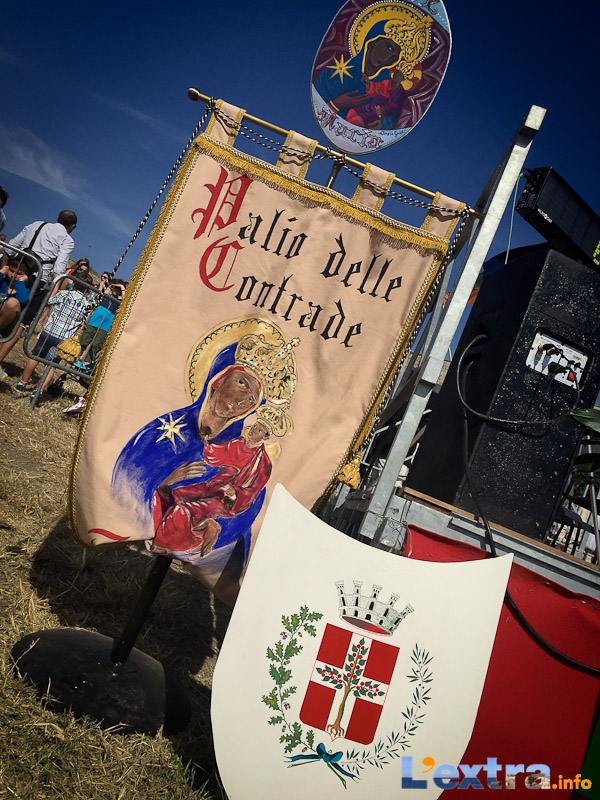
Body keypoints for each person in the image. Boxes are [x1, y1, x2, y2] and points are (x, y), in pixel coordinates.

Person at [112, 321, 298, 568]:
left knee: (190, 510)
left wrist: (224, 505)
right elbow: (126, 484)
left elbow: (242, 520)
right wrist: (168, 481)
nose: (242, 400)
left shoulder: (251, 456)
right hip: (151, 520)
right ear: (219, 379)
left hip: (211, 509)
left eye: (252, 399)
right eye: (242, 383)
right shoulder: (167, 429)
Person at [151, 413, 284, 556]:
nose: (254, 430)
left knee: (187, 510)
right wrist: (206, 442)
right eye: (255, 426)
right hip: (213, 486)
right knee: (176, 494)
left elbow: (253, 491)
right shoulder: (238, 443)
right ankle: (202, 528)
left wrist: (235, 494)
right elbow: (217, 454)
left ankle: (162, 543)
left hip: (225, 501)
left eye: (259, 430)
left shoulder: (263, 464)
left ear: (265, 437)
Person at [0, 210, 78, 372]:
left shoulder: (36, 224)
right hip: (37, 282)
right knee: (21, 324)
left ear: (58, 218)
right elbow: (59, 269)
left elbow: (11, 246)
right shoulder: (67, 239)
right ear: (73, 227)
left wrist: (5, 268)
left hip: (15, 271)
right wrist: (53, 294)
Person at [14, 264, 90, 392]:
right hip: (64, 338)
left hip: (49, 331)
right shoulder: (87, 305)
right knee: (51, 364)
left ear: (74, 282)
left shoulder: (64, 294)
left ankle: (22, 382)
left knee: (35, 355)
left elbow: (49, 301)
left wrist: (55, 290)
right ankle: (39, 391)